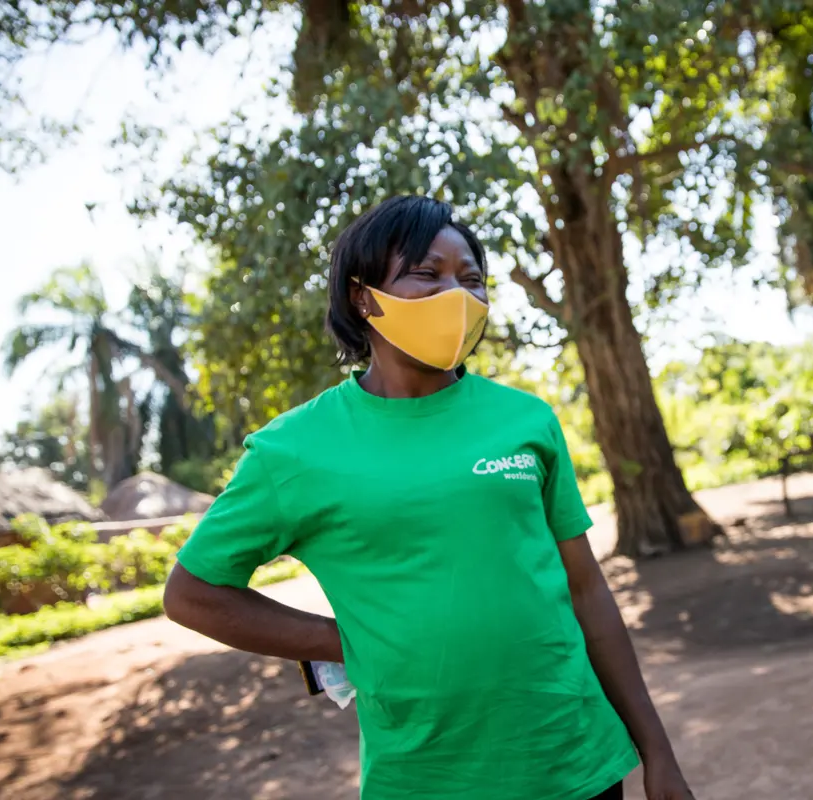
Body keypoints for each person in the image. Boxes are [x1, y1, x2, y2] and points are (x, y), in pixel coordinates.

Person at [163, 195, 693, 800]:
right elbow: (192, 594)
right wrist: (347, 641)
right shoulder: (294, 450)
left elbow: (586, 590)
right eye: (427, 273)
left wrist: (657, 751)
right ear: (363, 297)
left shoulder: (526, 420)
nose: (457, 295)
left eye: (472, 280)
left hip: (576, 763)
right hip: (424, 777)